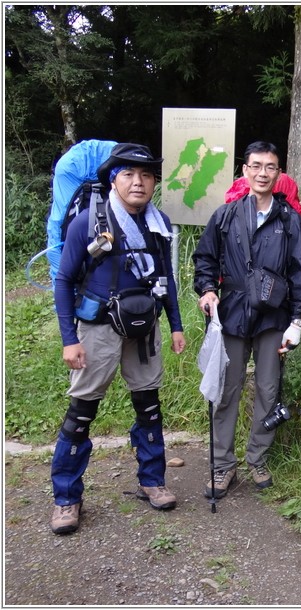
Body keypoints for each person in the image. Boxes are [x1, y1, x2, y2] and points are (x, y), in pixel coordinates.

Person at [49, 143, 186, 535]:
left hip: (144, 327)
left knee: (150, 406)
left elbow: (167, 281)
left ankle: (152, 480)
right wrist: (68, 339)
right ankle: (66, 498)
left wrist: (176, 325)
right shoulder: (88, 223)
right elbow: (63, 280)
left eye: (146, 175)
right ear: (114, 179)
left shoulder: (158, 225)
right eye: (128, 174)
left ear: (154, 182)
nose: (138, 182)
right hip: (97, 328)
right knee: (81, 414)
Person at [193, 141, 301, 499]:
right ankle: (222, 465)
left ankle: (256, 457)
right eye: (256, 166)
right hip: (230, 312)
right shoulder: (226, 215)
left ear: (278, 174)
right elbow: (205, 259)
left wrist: (297, 321)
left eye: (270, 167)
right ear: (244, 170)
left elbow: (300, 274)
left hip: (272, 317)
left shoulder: (290, 220)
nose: (263, 173)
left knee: (267, 389)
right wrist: (206, 290)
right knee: (226, 390)